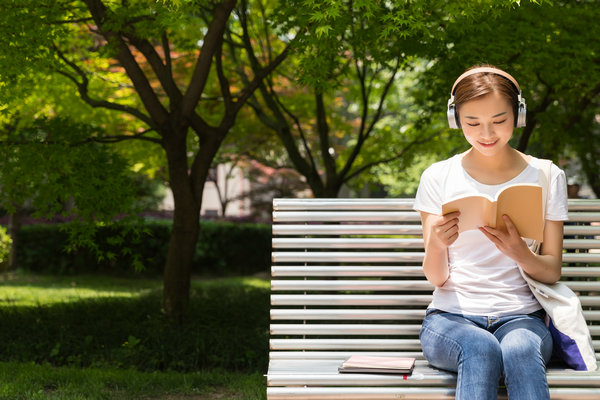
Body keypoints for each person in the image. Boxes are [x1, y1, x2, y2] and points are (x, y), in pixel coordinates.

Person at [413, 65, 569, 400]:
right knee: (481, 347)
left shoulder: (546, 176)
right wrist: (437, 245)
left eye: (499, 120)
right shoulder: (438, 177)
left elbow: (552, 269)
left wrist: (521, 253)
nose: (487, 133)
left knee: (520, 349)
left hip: (522, 318)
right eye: (472, 123)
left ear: (519, 114)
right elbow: (437, 278)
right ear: (456, 119)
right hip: (450, 319)